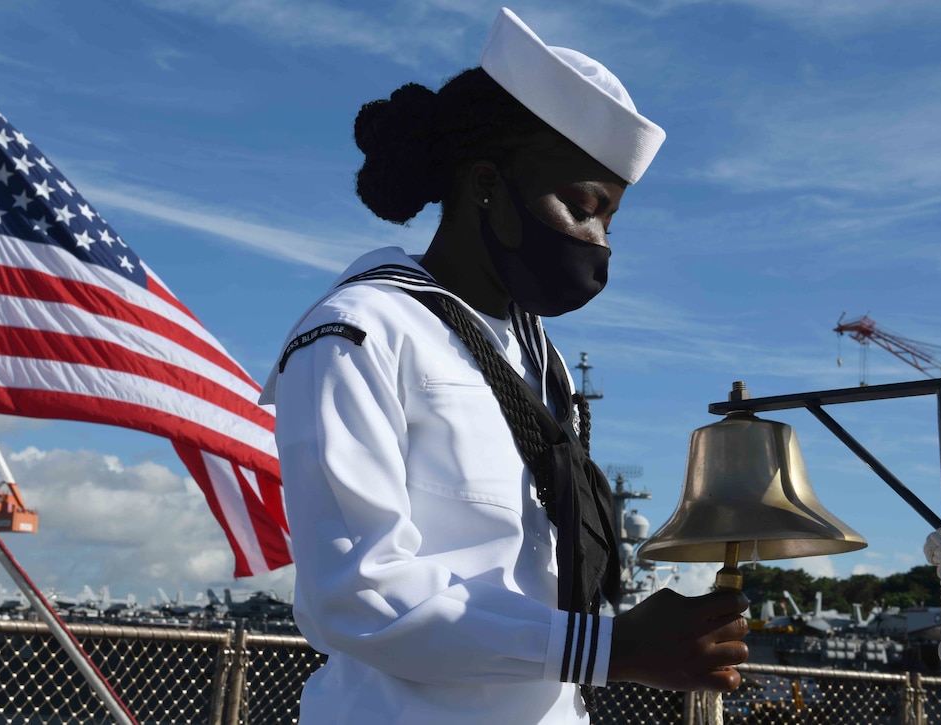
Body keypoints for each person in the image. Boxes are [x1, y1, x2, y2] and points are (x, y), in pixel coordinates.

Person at [258, 8, 749, 724]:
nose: (599, 245)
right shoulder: (360, 332)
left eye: (611, 220)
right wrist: (607, 648)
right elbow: (354, 594)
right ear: (486, 184)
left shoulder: (536, 356)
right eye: (583, 208)